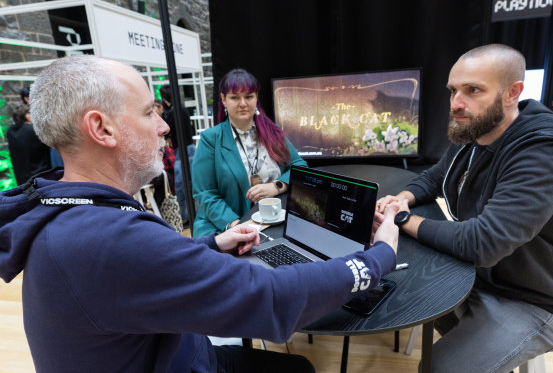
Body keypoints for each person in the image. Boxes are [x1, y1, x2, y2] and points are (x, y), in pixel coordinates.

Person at [0, 55, 400, 373]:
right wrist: (380, 255)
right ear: (102, 129)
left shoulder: (69, 211)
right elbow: (274, 300)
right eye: (148, 113)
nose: (163, 127)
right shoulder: (107, 239)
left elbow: (145, 270)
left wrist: (212, 244)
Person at [376, 44, 553, 373]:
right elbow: (433, 177)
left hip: (539, 299)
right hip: (485, 276)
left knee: (440, 366)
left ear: (512, 93)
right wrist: (404, 198)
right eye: (453, 91)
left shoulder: (545, 152)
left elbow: (482, 243)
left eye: (473, 90)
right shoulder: (478, 131)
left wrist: (401, 219)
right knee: (396, 293)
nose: (457, 103)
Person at [191, 68, 307, 237]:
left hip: (273, 222)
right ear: (223, 99)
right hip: (225, 226)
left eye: (248, 96)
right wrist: (237, 225)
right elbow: (205, 193)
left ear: (256, 97)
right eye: (235, 97)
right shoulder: (211, 139)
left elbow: (300, 166)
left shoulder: (274, 133)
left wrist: (276, 186)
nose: (243, 103)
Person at [160, 84, 196, 226]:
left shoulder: (172, 112)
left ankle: (186, 216)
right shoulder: (181, 109)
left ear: (164, 98)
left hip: (183, 150)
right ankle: (189, 214)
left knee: (182, 185)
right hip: (188, 148)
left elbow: (168, 131)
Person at [6, 104, 51, 185]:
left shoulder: (10, 131)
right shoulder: (33, 130)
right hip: (40, 178)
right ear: (28, 116)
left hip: (21, 181)